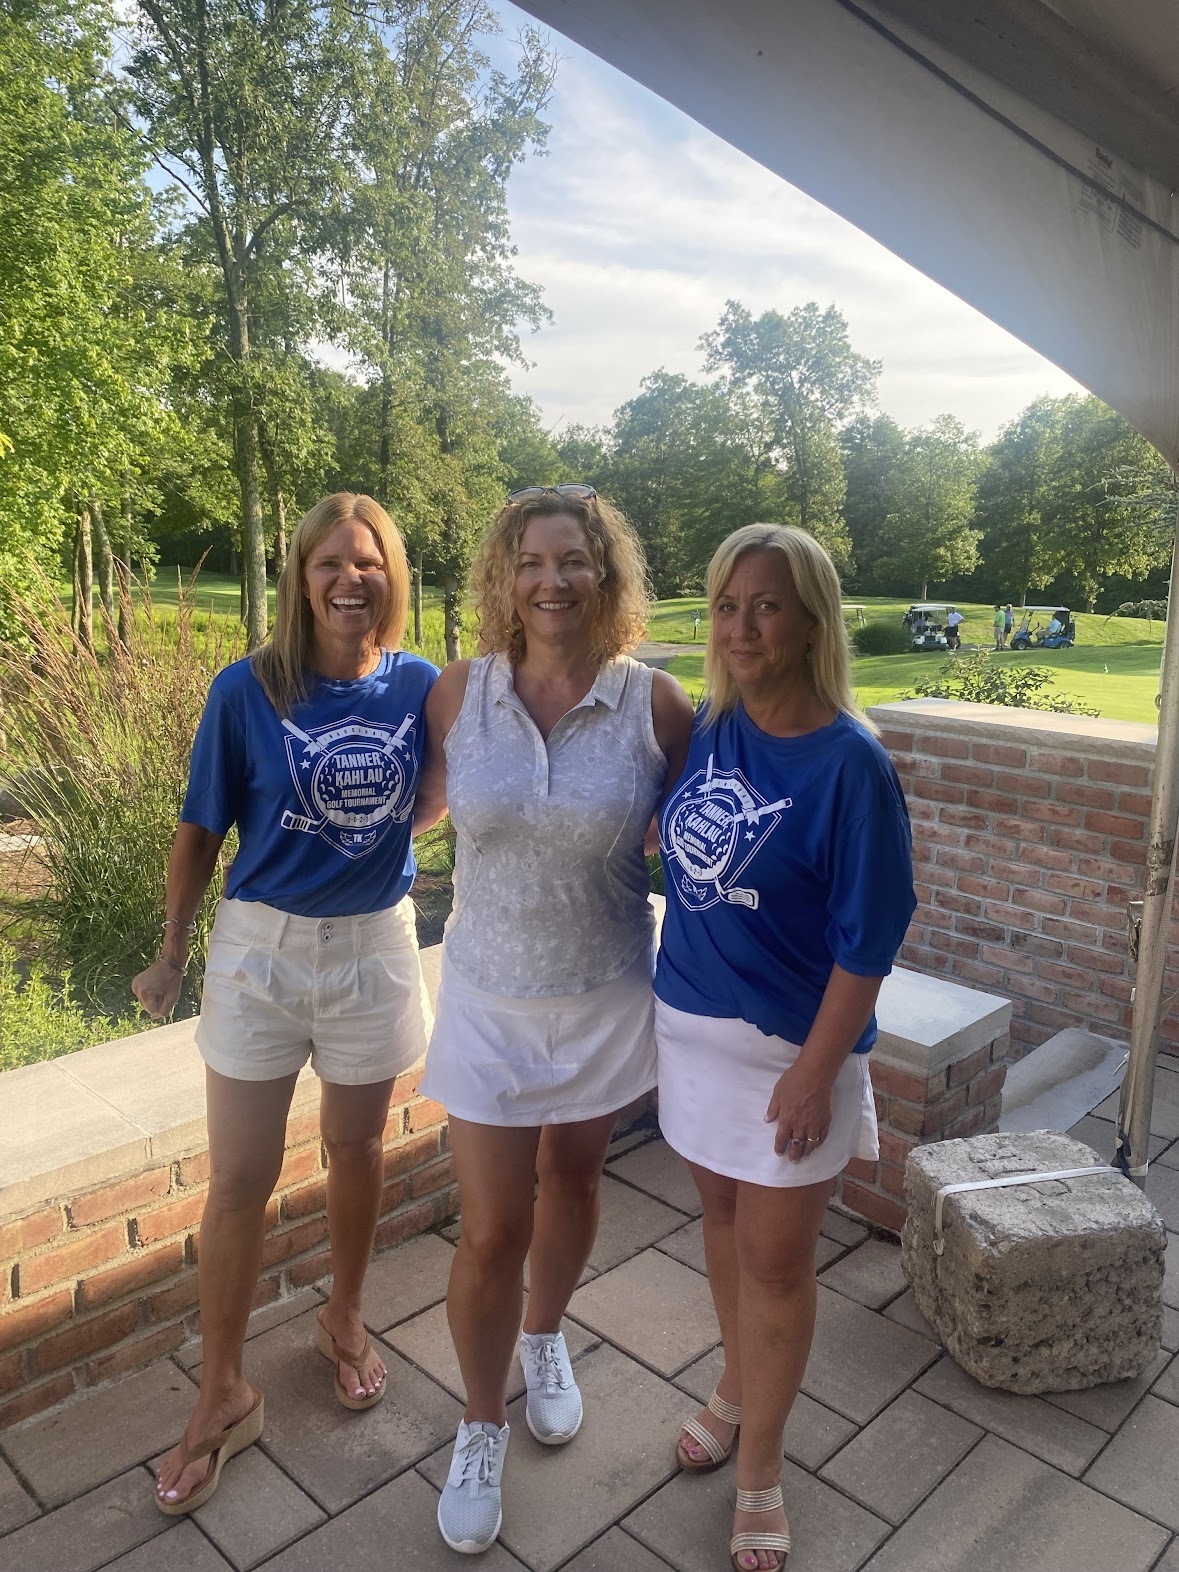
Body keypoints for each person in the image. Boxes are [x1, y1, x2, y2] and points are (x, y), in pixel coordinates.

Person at [134, 494, 437, 1515]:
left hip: (373, 949)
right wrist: (171, 954)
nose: (351, 579)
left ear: (393, 577)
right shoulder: (247, 689)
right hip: (259, 953)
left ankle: (344, 1316)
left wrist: (393, 833)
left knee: (357, 1149)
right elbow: (198, 832)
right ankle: (223, 1391)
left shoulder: (419, 686)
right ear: (300, 577)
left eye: (370, 562)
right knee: (238, 1180)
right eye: (330, 563)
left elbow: (443, 786)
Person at [415, 483, 694, 1555]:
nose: (552, 580)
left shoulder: (655, 704)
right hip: (486, 998)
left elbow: (716, 825)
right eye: (531, 562)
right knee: (491, 1228)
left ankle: (545, 1335)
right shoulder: (458, 692)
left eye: (572, 559)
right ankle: (481, 1422)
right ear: (504, 575)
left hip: (604, 992)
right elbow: (409, 804)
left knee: (573, 1184)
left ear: (604, 573)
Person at [654, 523, 916, 1572]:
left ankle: (760, 1466)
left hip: (790, 1055)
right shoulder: (715, 726)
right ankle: (734, 1385)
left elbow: (871, 939)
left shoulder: (852, 763)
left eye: (765, 606)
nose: (741, 627)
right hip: (690, 1030)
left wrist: (817, 1072)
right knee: (721, 1224)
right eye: (726, 606)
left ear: (812, 622)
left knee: (775, 1264)